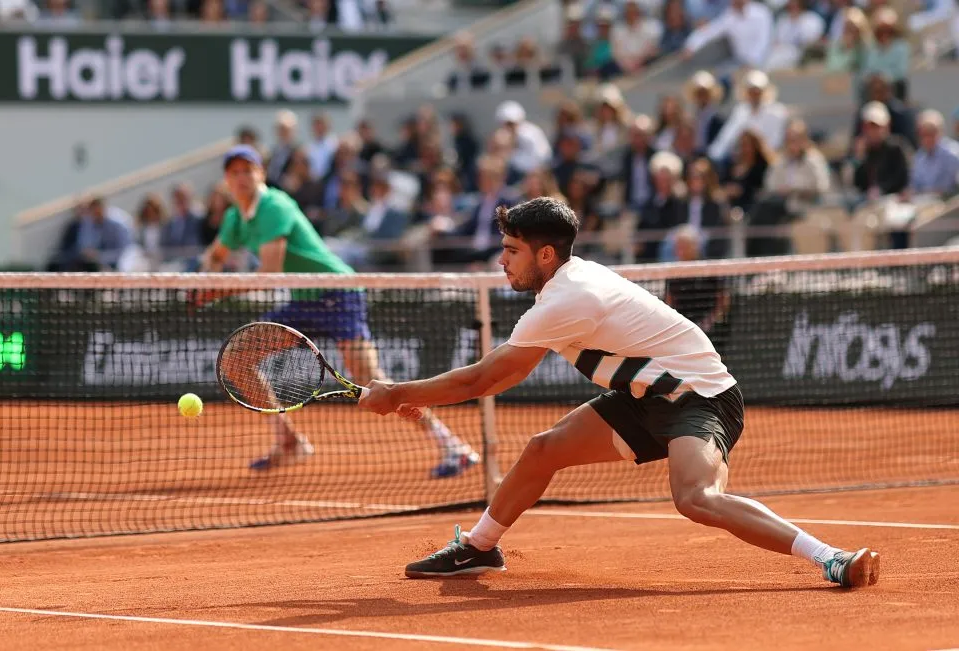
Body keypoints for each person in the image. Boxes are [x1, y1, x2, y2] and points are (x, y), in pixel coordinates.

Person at [359, 196, 881, 589]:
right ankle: (479, 547)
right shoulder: (563, 285)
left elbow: (485, 379)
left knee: (696, 499)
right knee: (543, 450)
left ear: (545, 254)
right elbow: (490, 377)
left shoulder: (568, 298)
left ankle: (829, 557)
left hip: (699, 397)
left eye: (511, 251)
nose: (502, 261)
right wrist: (413, 394)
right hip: (643, 396)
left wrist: (397, 392)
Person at [200, 145, 480, 478]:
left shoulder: (275, 205)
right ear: (227, 180)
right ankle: (287, 441)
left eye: (248, 170)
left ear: (261, 174)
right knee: (237, 360)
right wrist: (204, 278)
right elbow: (216, 255)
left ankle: (453, 446)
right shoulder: (235, 217)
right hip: (304, 300)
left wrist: (215, 290)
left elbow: (268, 273)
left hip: (338, 292)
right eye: (235, 172)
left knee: (371, 380)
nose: (242, 177)